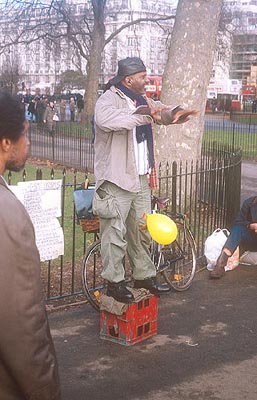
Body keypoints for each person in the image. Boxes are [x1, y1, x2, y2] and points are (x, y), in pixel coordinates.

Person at [93, 56, 197, 303]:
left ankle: (144, 276)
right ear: (129, 79)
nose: (146, 80)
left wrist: (176, 113)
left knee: (141, 230)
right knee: (114, 233)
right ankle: (114, 283)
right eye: (142, 76)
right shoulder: (108, 99)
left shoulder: (142, 100)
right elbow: (108, 121)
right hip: (116, 179)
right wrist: (146, 115)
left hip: (140, 179)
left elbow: (159, 110)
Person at [0, 92, 61, 399]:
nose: (29, 143)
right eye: (24, 134)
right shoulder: (8, 216)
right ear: (5, 143)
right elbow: (22, 328)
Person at [210, 196, 257, 279]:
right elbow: (238, 221)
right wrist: (250, 226)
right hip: (251, 239)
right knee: (238, 228)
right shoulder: (249, 203)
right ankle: (220, 264)